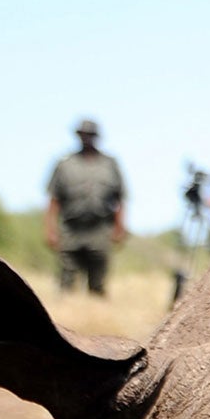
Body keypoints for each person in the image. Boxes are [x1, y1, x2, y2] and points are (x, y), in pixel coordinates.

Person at [44, 118, 126, 295]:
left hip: (100, 229)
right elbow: (53, 200)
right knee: (66, 279)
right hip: (71, 229)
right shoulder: (64, 164)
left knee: (97, 281)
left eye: (90, 135)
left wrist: (120, 227)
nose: (86, 138)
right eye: (83, 135)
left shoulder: (110, 164)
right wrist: (50, 230)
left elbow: (120, 199)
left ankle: (95, 316)